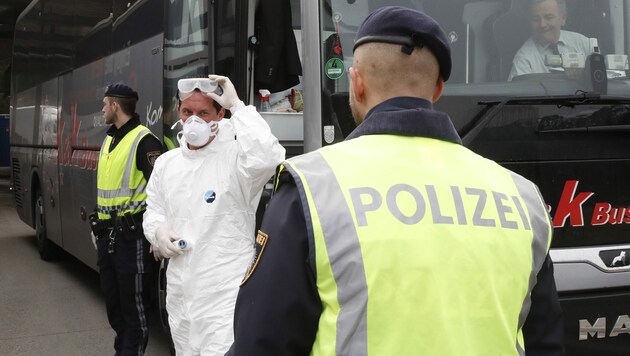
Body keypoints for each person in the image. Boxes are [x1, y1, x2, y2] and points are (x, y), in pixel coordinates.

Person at [227, 6, 563, 356]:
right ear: (437, 89)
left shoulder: (313, 188)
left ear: (356, 83)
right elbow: (546, 343)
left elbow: (262, 344)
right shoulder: (522, 197)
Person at [142, 75, 285, 355]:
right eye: (187, 112)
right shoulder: (167, 164)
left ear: (219, 115)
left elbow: (269, 157)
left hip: (224, 294)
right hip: (181, 293)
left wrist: (238, 106)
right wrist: (158, 233)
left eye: (203, 113)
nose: (193, 120)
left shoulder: (237, 160)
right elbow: (154, 210)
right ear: (178, 113)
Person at [92, 83, 163, 355]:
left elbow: (163, 191)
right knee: (115, 307)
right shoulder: (110, 139)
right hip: (108, 238)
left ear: (115, 106)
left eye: (104, 103)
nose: (102, 108)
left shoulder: (145, 141)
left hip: (132, 241)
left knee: (134, 311)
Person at [509, 0, 592, 81]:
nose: (542, 24)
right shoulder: (524, 60)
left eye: (548, 17)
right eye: (536, 19)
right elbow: (518, 93)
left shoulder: (583, 44)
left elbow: (600, 82)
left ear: (563, 18)